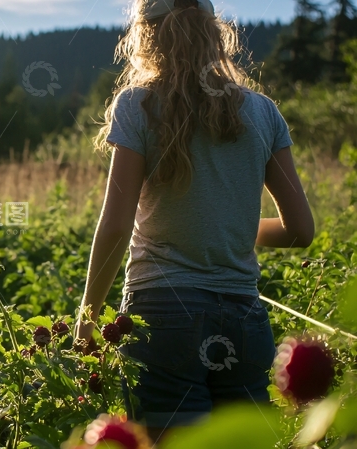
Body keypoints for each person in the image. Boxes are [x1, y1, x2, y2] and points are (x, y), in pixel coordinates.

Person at [73, 0, 314, 441]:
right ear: (214, 30)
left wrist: (87, 318)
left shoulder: (138, 104)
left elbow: (116, 224)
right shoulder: (263, 112)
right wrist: (230, 229)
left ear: (147, 35)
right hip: (244, 321)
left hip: (163, 318)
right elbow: (301, 230)